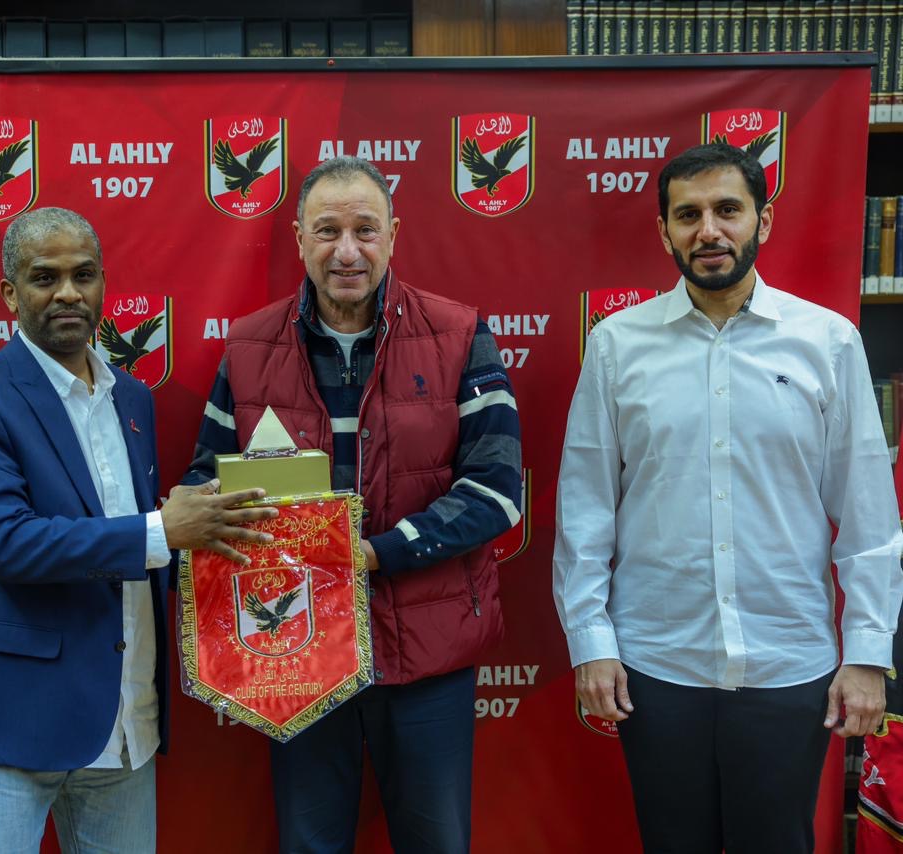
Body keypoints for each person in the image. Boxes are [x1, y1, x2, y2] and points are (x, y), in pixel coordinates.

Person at [553, 143, 903, 853]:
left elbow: (869, 518)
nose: (708, 230)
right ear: (665, 232)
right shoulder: (617, 346)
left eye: (727, 210)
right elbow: (584, 511)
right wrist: (591, 642)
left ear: (762, 221)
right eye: (688, 215)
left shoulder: (828, 342)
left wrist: (868, 653)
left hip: (788, 663)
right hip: (655, 664)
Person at [0, 207, 277, 854]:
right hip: (8, 719)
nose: (68, 293)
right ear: (10, 294)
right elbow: (6, 542)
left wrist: (249, 553)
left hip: (124, 716)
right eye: (44, 278)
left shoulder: (132, 398)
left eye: (83, 275)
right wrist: (163, 530)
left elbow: (150, 545)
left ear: (103, 283)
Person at [184, 157, 523, 853]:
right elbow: (205, 482)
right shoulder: (248, 347)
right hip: (295, 650)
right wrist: (201, 507)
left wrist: (370, 555)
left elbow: (495, 492)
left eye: (365, 230)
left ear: (393, 235)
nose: (347, 252)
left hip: (426, 653)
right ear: (298, 239)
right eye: (327, 231)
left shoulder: (459, 335)